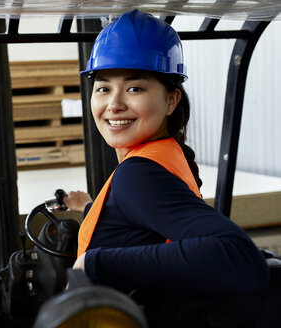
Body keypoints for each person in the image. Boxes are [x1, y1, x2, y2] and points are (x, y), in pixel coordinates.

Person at [64, 9, 269, 296]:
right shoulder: (164, 156)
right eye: (103, 88)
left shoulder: (137, 176)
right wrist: (88, 206)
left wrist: (95, 264)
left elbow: (237, 254)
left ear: (171, 100)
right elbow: (146, 216)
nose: (114, 104)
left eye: (134, 88)